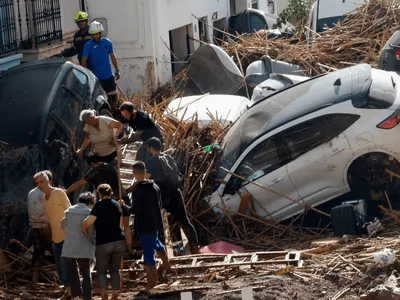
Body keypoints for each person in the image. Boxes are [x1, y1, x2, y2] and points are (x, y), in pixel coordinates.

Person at [66, 153, 133, 255]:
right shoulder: (112, 167)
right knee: (126, 225)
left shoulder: (95, 172)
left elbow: (79, 184)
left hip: (109, 202)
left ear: (92, 163)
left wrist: (66, 192)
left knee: (111, 226)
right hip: (123, 198)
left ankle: (112, 250)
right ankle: (129, 249)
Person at [120, 161, 171, 291]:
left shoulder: (138, 190)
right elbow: (159, 205)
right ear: (144, 171)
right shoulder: (155, 187)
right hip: (155, 223)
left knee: (149, 256)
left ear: (134, 173)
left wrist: (123, 207)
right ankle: (167, 266)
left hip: (145, 225)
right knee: (156, 243)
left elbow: (134, 210)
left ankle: (151, 285)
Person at [145, 137, 200, 254]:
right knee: (185, 221)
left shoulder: (153, 161)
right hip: (176, 193)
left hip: (164, 197)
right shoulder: (168, 157)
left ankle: (160, 251)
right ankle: (195, 247)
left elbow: (146, 177)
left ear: (150, 148)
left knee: (158, 224)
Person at [82, 184, 125, 300]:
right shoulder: (116, 204)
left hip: (104, 242)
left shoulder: (98, 206)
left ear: (99, 194)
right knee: (115, 270)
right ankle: (115, 295)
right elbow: (120, 223)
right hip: (119, 241)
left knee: (101, 271)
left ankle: (104, 296)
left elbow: (88, 222)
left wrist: (84, 227)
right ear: (110, 193)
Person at [34, 171, 71, 295]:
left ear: (48, 181)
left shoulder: (59, 192)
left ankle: (73, 292)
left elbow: (70, 211)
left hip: (66, 236)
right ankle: (69, 291)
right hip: (56, 238)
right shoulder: (45, 198)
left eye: (42, 182)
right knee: (60, 270)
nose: (40, 185)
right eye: (37, 183)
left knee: (67, 267)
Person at [61, 192, 96, 300]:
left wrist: (71, 233)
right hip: (84, 247)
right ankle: (87, 297)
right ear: (90, 202)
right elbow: (91, 231)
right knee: (86, 273)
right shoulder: (89, 213)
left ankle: (77, 295)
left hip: (69, 247)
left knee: (73, 273)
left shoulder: (69, 211)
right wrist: (93, 242)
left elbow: (62, 224)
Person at [81, 21, 121, 115]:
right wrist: (85, 74)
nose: (95, 36)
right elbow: (84, 60)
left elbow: (112, 56)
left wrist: (117, 69)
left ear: (100, 33)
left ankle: (113, 113)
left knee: (112, 96)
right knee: (98, 99)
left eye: (97, 33)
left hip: (108, 76)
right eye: (93, 34)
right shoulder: (88, 46)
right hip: (96, 78)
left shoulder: (107, 43)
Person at [27, 170, 53, 286]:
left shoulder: (31, 193)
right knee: (57, 252)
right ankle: (65, 283)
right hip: (46, 227)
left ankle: (34, 283)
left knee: (37, 255)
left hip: (34, 227)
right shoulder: (45, 193)